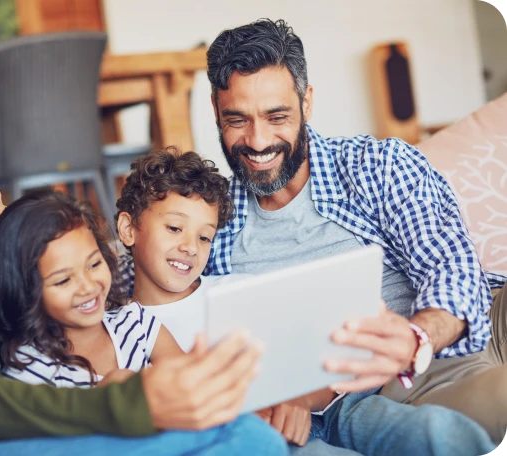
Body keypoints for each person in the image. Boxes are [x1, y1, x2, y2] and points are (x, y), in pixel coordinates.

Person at [0, 2, 290, 455]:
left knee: (242, 433)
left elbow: (19, 303)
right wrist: (121, 402)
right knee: (242, 440)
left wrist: (2, 222)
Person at [197, 18, 507, 444]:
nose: (258, 140)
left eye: (277, 116)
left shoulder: (376, 166)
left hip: (466, 321)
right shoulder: (208, 222)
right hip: (405, 386)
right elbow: (139, 292)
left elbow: (449, 262)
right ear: (215, 110)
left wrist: (417, 336)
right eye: (237, 119)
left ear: (306, 103)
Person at [115, 149, 495, 455]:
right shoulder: (119, 332)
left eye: (204, 237)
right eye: (174, 228)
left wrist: (295, 397)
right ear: (128, 229)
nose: (189, 247)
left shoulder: (237, 288)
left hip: (336, 407)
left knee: (435, 430)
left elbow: (314, 361)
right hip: (259, 435)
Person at [0, 189, 183, 387]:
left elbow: (189, 386)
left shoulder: (137, 324)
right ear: (25, 291)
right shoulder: (30, 370)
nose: (88, 287)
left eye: (94, 265)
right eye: (63, 280)